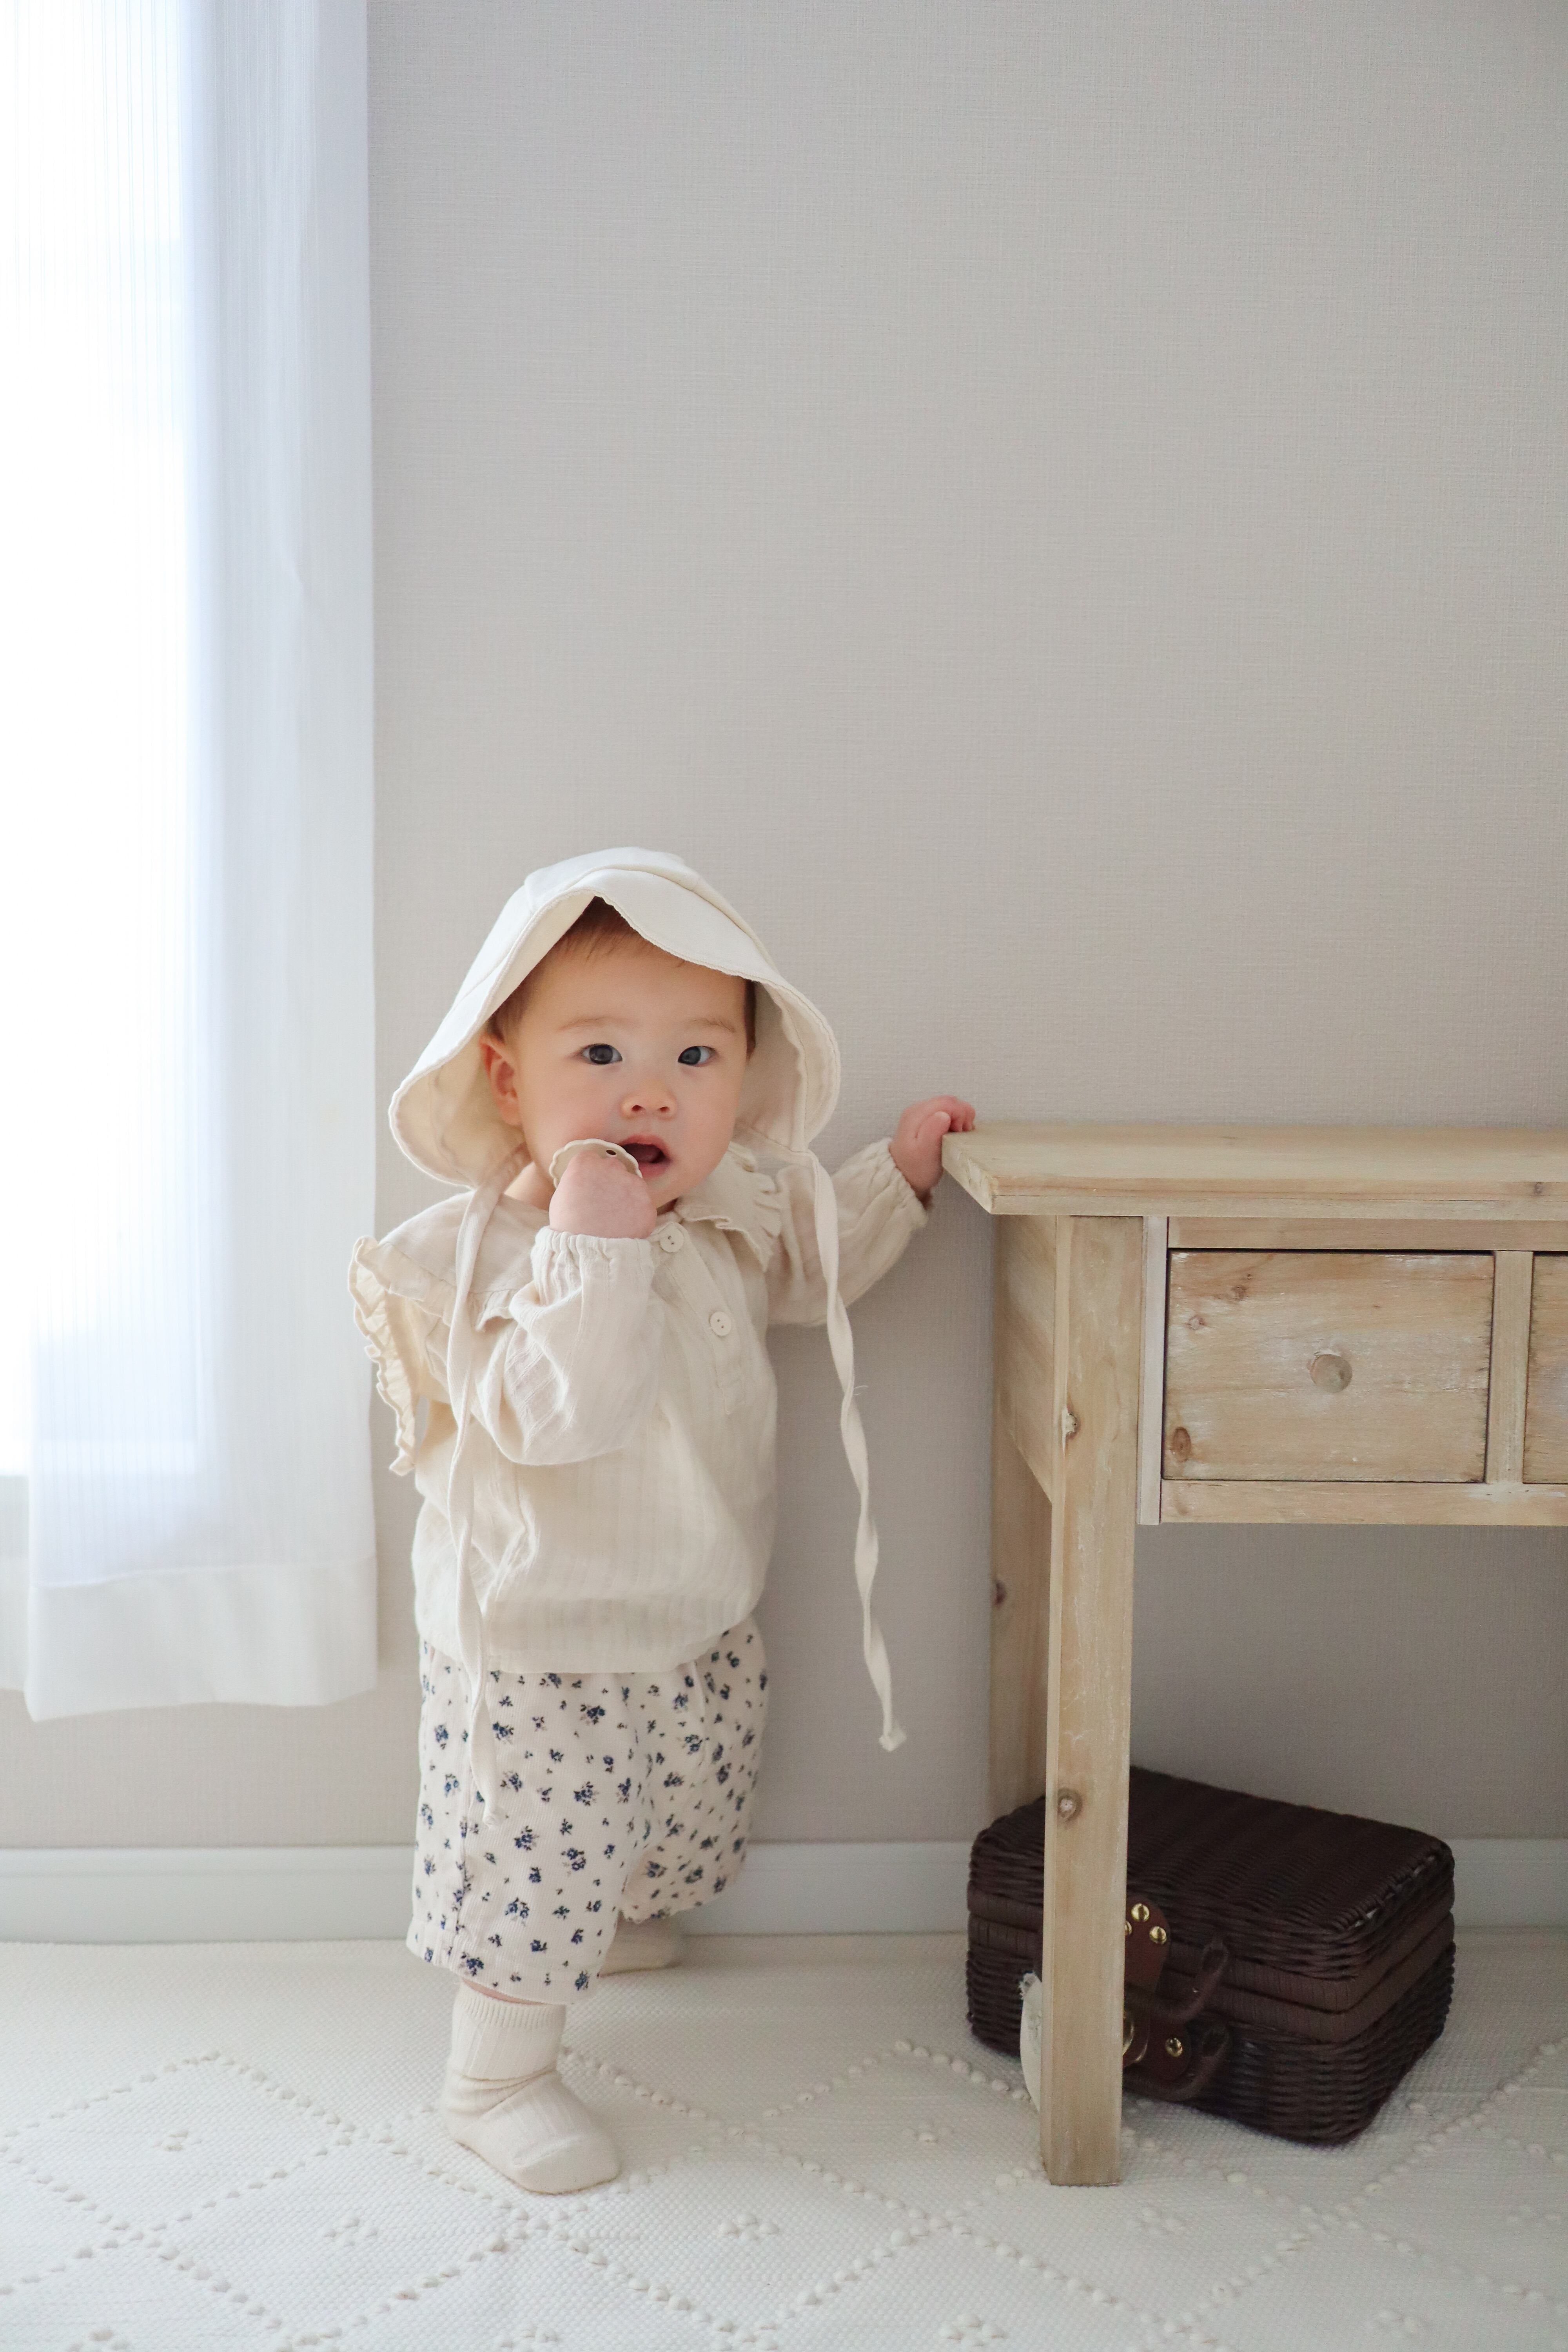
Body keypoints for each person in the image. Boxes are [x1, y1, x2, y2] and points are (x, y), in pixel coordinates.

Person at [349, 848, 973, 2194]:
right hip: (541, 1647)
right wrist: (595, 1245)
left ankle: (616, 1922)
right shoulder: (491, 1259)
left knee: (673, 1806)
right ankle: (494, 2076)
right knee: (534, 1860)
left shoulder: (734, 1211)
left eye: (697, 1056)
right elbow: (559, 1416)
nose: (650, 1092)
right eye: (601, 1054)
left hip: (697, 1610)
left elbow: (816, 1269)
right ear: (507, 1080)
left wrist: (898, 1181)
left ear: (746, 1079)